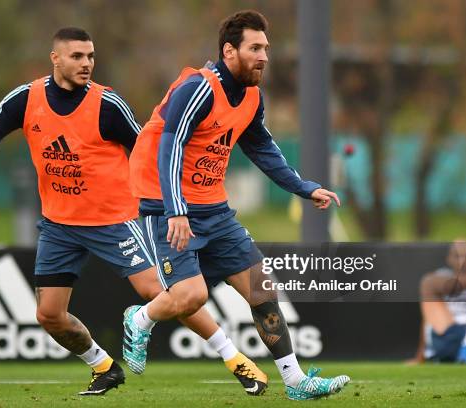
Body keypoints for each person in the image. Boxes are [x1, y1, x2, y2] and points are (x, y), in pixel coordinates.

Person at [0, 27, 267, 396]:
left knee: (163, 292)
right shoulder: (27, 99)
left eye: (90, 57)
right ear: (55, 58)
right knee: (48, 315)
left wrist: (171, 204)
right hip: (59, 225)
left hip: (118, 221)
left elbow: (148, 150)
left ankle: (236, 360)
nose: (86, 64)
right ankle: (103, 366)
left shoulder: (107, 105)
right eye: (77, 57)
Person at [126, 10, 350, 401]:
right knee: (191, 297)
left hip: (214, 208)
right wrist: (175, 209)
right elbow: (171, 146)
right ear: (230, 51)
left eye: (266, 47)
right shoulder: (197, 89)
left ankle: (296, 381)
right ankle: (140, 319)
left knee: (263, 290)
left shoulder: (250, 97)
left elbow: (262, 148)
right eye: (255, 48)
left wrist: (302, 187)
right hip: (165, 205)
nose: (264, 55)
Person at [410, 239, 466, 363]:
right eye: (457, 256)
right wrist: (421, 356)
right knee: (428, 283)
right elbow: (428, 318)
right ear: (449, 259)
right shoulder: (440, 276)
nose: (462, 261)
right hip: (449, 334)